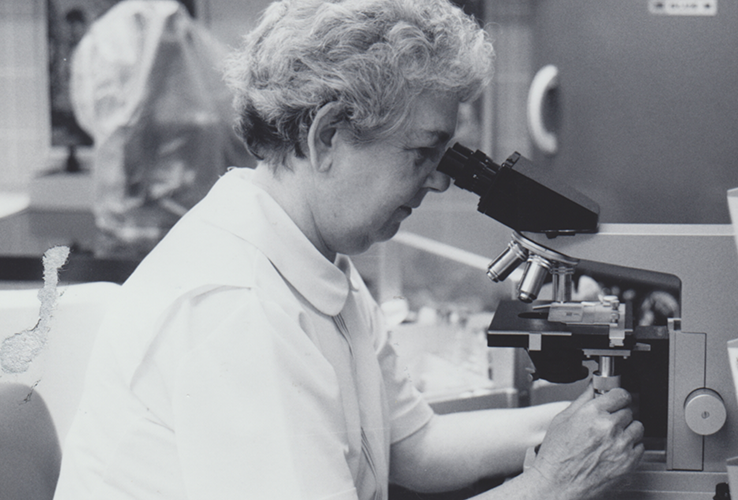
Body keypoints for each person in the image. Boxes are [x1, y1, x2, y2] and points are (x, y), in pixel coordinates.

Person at [53, 1, 644, 499]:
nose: (439, 181)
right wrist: (551, 480)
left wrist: (594, 419)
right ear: (328, 135)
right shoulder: (236, 313)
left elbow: (416, 446)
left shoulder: (310, 255)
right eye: (422, 154)